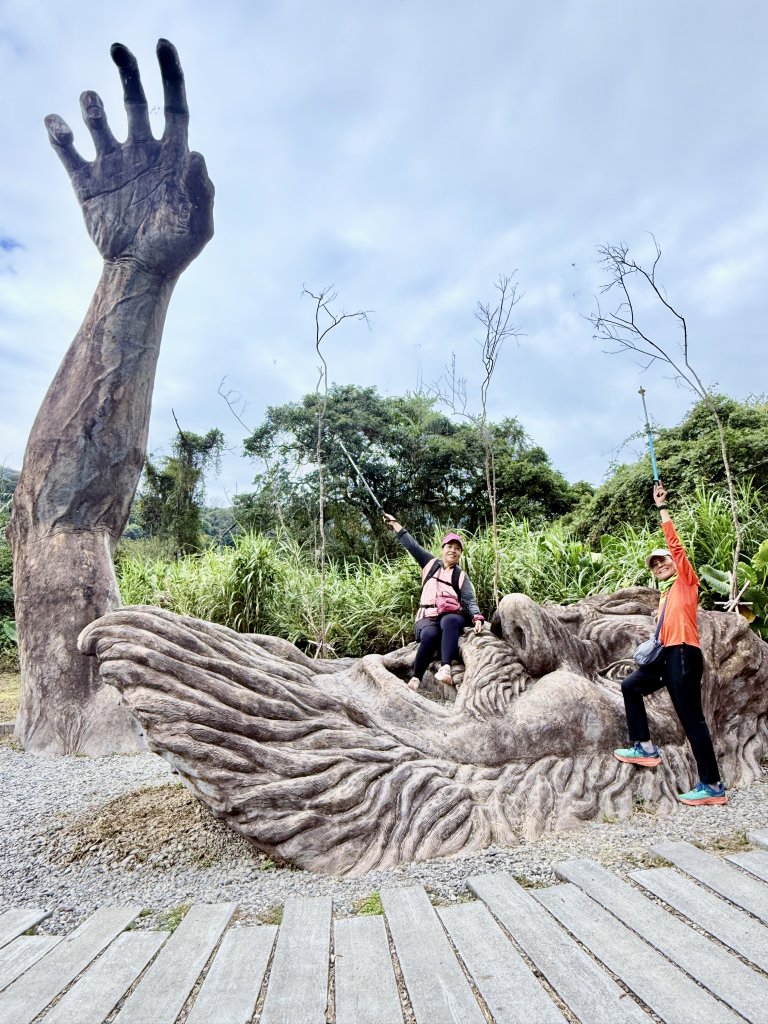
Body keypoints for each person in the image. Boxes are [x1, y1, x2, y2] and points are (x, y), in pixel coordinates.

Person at [613, 481, 727, 806]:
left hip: (685, 654)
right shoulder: (663, 598)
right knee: (631, 686)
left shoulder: (687, 583)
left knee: (691, 719)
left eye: (664, 560)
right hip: (667, 657)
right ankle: (644, 747)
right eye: (655, 564)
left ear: (675, 564)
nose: (661, 565)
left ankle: (712, 784)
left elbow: (676, 548)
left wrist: (662, 508)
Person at [382, 513, 485, 690]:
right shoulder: (429, 563)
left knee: (450, 619)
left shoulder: (460, 575)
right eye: (449, 546)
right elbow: (410, 544)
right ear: (442, 548)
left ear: (460, 553)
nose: (453, 550)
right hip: (427, 617)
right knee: (430, 635)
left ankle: (446, 668)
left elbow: (469, 600)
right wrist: (394, 523)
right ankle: (416, 679)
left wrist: (476, 616)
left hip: (450, 615)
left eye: (457, 548)